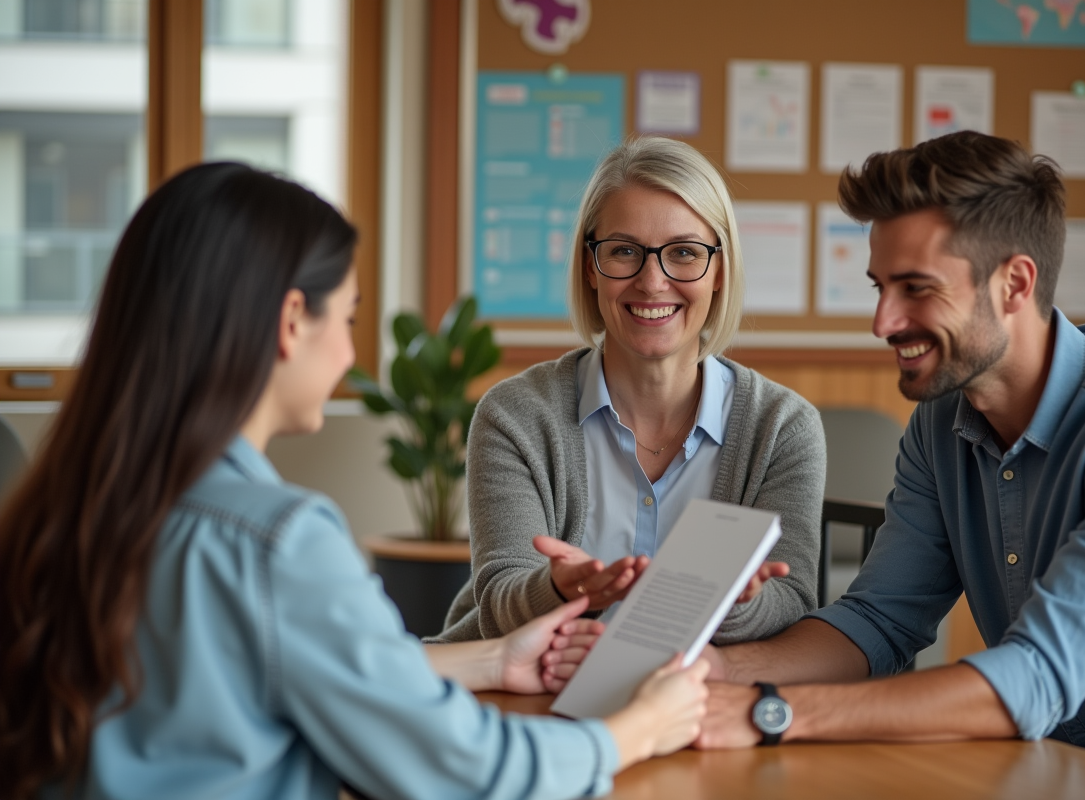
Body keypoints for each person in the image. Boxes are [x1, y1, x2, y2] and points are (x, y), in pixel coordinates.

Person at [0, 162, 711, 800]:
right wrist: (638, 730)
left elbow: (287, 670)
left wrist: (494, 658)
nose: (348, 350)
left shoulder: (61, 510)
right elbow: (465, 771)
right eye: (347, 317)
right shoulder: (276, 541)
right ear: (289, 322)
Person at [695, 131, 1085, 781]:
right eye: (880, 287)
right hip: (1054, 768)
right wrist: (722, 670)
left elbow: (1039, 673)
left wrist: (770, 712)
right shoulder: (941, 420)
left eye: (916, 288)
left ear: (1014, 283)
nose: (882, 322)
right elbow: (878, 620)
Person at [437, 136, 826, 643]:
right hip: (527, 697)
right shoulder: (515, 416)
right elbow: (498, 606)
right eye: (624, 252)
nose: (652, 281)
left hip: (696, 701)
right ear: (589, 268)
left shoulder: (782, 426)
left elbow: (792, 603)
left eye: (684, 253)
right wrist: (558, 591)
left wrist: (732, 604)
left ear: (720, 271)